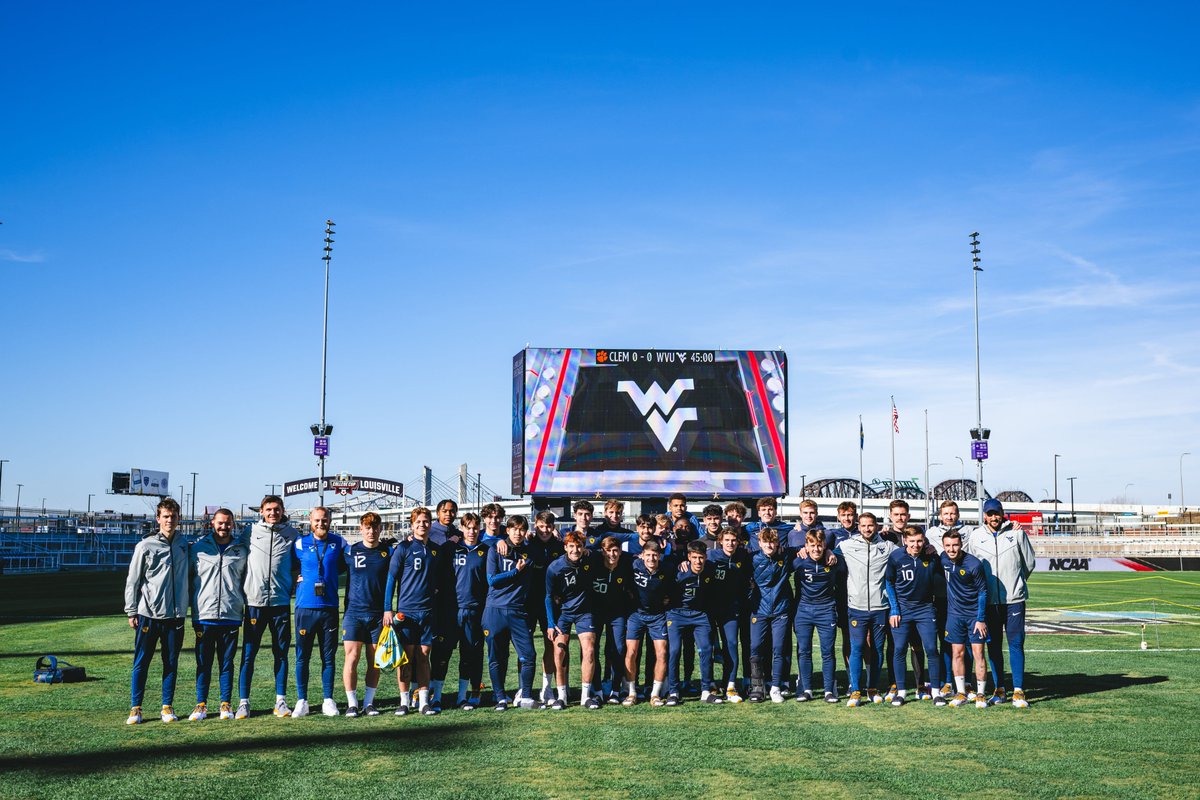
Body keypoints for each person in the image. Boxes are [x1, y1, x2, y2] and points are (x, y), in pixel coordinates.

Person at [964, 498, 1035, 709]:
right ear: (984, 516)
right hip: (989, 602)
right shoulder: (976, 536)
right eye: (990, 514)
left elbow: (1029, 563)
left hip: (1014, 600)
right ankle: (1000, 689)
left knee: (1015, 644)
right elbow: (969, 564)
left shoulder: (1016, 533)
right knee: (993, 646)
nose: (994, 517)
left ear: (1002, 513)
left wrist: (1017, 582)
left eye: (998, 513)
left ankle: (1019, 691)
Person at [124, 497, 190, 724]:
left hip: (176, 615)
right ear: (158, 519)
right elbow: (133, 581)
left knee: (170, 662)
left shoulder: (184, 545)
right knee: (142, 661)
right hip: (148, 615)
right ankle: (136, 708)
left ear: (178, 519)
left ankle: (167, 707)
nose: (169, 520)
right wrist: (131, 610)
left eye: (173, 516)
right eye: (165, 516)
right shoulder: (145, 545)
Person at [237, 495, 301, 719]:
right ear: (262, 512)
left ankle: (280, 702)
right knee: (248, 654)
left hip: (280, 602)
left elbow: (302, 561)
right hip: (254, 602)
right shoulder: (250, 533)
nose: (273, 513)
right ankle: (244, 703)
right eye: (268, 509)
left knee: (281, 653)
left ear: (282, 511)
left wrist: (300, 578)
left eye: (276, 509)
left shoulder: (292, 535)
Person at [385, 506, 448, 716]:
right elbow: (391, 579)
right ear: (412, 525)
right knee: (406, 657)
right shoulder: (403, 548)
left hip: (428, 611)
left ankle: (423, 702)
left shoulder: (435, 550)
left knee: (423, 656)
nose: (422, 525)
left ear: (431, 524)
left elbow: (440, 578)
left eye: (426, 521)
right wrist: (388, 609)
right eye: (418, 522)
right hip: (406, 612)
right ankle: (403, 702)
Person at [188, 507, 249, 721]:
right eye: (220, 522)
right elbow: (187, 579)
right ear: (212, 523)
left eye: (228, 523)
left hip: (231, 613)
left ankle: (225, 704)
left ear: (233, 524)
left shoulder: (241, 549)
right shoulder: (198, 548)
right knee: (203, 663)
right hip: (204, 615)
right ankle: (201, 704)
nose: (224, 526)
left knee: (226, 663)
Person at [835, 512, 897, 707]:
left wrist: (928, 547)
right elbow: (827, 552)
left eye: (870, 525)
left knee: (878, 649)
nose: (867, 529)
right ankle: (855, 690)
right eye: (863, 526)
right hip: (856, 607)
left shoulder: (887, 547)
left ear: (877, 526)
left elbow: (907, 553)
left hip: (881, 607)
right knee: (857, 647)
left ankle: (872, 687)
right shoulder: (847, 545)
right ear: (858, 526)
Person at [484, 515, 544, 710]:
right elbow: (492, 580)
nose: (518, 533)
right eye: (514, 529)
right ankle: (500, 697)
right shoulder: (496, 549)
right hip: (495, 611)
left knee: (529, 655)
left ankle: (525, 695)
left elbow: (547, 548)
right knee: (497, 657)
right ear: (507, 530)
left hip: (518, 611)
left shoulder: (530, 552)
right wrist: (514, 572)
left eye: (521, 529)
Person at [292, 506, 347, 717]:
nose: (321, 523)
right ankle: (302, 700)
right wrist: (295, 581)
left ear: (330, 520)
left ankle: (328, 700)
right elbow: (285, 567)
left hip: (329, 608)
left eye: (324, 520)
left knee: (329, 657)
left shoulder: (339, 543)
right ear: (310, 521)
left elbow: (354, 560)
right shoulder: (299, 543)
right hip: (305, 608)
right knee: (302, 657)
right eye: (317, 520)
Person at [884, 526, 944, 706]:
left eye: (919, 541)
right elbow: (889, 582)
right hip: (903, 608)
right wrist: (894, 609)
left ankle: (935, 691)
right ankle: (901, 691)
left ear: (924, 540)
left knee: (932, 648)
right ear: (904, 541)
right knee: (900, 648)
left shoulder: (932, 556)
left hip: (925, 608)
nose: (916, 545)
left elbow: (940, 581)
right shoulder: (896, 557)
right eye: (912, 542)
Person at [341, 512, 391, 717]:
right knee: (351, 658)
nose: (371, 532)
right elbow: (326, 567)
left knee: (374, 660)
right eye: (367, 528)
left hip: (377, 616)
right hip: (353, 613)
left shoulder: (388, 552)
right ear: (360, 529)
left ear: (381, 530)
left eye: (375, 528)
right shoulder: (350, 551)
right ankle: (352, 703)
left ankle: (369, 703)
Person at [545, 532, 602, 708]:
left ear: (584, 548)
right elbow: (548, 597)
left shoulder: (590, 560)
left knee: (590, 650)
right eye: (571, 546)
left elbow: (609, 554)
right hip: (563, 613)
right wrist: (550, 623)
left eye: (578, 546)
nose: (575, 550)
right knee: (560, 650)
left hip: (585, 613)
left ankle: (586, 696)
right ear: (565, 547)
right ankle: (562, 696)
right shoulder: (555, 568)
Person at [666, 540, 722, 705]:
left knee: (705, 649)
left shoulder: (711, 569)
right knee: (675, 650)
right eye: (695, 557)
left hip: (699, 615)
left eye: (701, 557)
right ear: (689, 557)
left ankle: (706, 690)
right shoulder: (679, 571)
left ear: (706, 557)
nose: (698, 561)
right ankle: (673, 691)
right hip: (677, 614)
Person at [940, 529, 989, 708]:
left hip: (974, 616)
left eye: (955, 545)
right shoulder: (943, 559)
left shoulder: (973, 564)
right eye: (947, 546)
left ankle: (981, 694)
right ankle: (961, 692)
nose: (951, 549)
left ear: (961, 544)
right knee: (957, 653)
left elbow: (983, 592)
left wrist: (981, 618)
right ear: (943, 546)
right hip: (954, 615)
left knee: (978, 654)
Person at [793, 529, 841, 703]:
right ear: (806, 546)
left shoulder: (833, 561)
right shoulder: (799, 562)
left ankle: (829, 690)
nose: (816, 549)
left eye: (819, 546)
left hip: (826, 610)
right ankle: (806, 689)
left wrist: (832, 552)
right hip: (803, 611)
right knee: (803, 651)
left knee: (827, 652)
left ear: (824, 546)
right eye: (812, 545)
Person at [448, 512, 491, 709]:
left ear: (479, 529)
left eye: (475, 528)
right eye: (468, 527)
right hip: (453, 609)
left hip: (476, 609)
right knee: (443, 652)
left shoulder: (487, 550)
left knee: (472, 653)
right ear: (462, 528)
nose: (472, 531)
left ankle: (470, 693)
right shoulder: (452, 549)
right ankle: (430, 692)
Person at [747, 529, 794, 704]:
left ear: (778, 543)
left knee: (779, 648)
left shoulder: (786, 556)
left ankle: (775, 687)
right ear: (759, 543)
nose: (769, 545)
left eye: (772, 542)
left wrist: (828, 551)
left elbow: (806, 547)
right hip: (758, 610)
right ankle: (758, 687)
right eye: (765, 542)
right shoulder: (752, 559)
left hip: (781, 610)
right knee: (756, 647)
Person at [623, 540, 671, 706]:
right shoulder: (634, 565)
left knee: (662, 652)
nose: (651, 558)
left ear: (660, 556)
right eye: (648, 555)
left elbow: (676, 586)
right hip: (636, 615)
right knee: (631, 652)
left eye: (655, 555)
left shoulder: (667, 569)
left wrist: (668, 598)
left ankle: (655, 694)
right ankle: (631, 692)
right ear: (642, 555)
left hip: (657, 616)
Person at [925, 500, 964, 695]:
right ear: (940, 516)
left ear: (958, 514)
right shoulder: (930, 534)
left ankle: (966, 682)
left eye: (952, 513)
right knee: (943, 639)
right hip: (940, 596)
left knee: (962, 641)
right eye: (945, 513)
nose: (949, 516)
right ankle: (945, 680)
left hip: (962, 596)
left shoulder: (970, 533)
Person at [707, 528, 750, 702]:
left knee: (731, 644)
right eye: (727, 540)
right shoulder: (711, 556)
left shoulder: (743, 557)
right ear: (721, 541)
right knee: (706, 649)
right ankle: (709, 685)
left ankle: (730, 685)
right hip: (710, 608)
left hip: (731, 610)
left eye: (733, 540)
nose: (730, 543)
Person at [526, 510, 565, 702]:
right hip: (528, 602)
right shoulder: (528, 543)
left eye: (548, 526)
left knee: (551, 644)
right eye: (541, 526)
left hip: (551, 602)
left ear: (553, 527)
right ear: (535, 525)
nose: (544, 530)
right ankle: (523, 689)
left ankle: (546, 688)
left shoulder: (559, 545)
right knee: (525, 646)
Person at [593, 536, 636, 703]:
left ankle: (616, 690)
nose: (613, 554)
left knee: (618, 649)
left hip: (617, 614)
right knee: (592, 649)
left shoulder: (625, 566)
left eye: (616, 550)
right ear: (603, 551)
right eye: (609, 550)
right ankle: (596, 689)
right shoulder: (594, 565)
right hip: (596, 613)